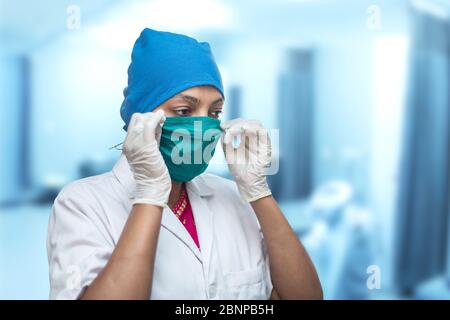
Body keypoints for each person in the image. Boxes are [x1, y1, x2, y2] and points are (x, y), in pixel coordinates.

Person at [47, 28, 322, 300]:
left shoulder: (233, 198)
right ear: (140, 116)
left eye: (215, 112)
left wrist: (258, 191)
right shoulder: (82, 203)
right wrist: (150, 195)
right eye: (184, 111)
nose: (203, 125)